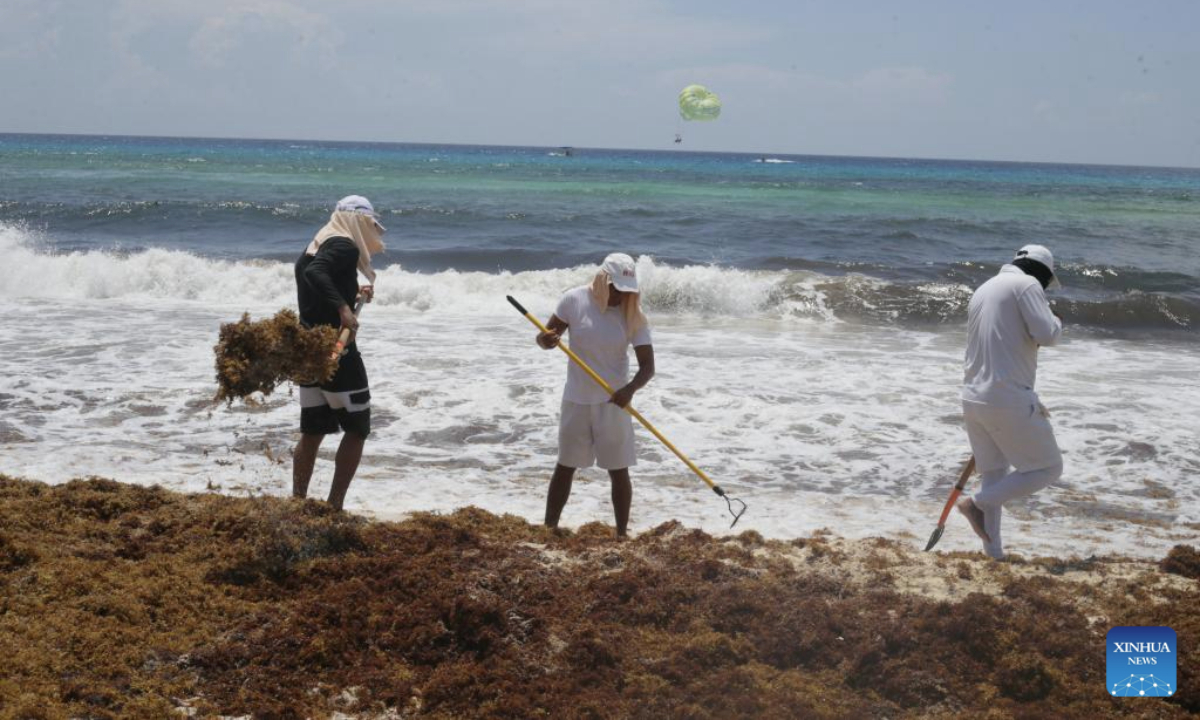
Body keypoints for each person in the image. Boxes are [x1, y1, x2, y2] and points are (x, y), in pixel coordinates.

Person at [536, 253, 655, 537]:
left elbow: (648, 368)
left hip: (613, 403)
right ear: (603, 280)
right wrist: (547, 340)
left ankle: (621, 534)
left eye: (627, 290)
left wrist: (629, 390)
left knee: (618, 470)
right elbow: (545, 338)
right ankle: (549, 528)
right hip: (576, 399)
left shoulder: (633, 316)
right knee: (565, 466)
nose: (620, 296)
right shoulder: (573, 300)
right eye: (616, 289)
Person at [956, 244, 1064, 559]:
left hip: (973, 396)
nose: (1044, 289)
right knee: (1048, 467)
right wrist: (1056, 319)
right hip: (1007, 395)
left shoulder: (984, 289)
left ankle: (994, 554)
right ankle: (974, 504)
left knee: (995, 474)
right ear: (1041, 272)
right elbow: (1047, 334)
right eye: (1047, 282)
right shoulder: (1027, 285)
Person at [292, 195, 386, 511]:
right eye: (369, 224)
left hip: (308, 349)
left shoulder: (318, 241)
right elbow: (317, 274)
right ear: (358, 221)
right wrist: (345, 308)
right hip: (337, 350)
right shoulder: (345, 245)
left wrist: (353, 292)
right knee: (358, 427)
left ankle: (298, 501)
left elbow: (316, 276)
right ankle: (334, 506)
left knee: (313, 429)